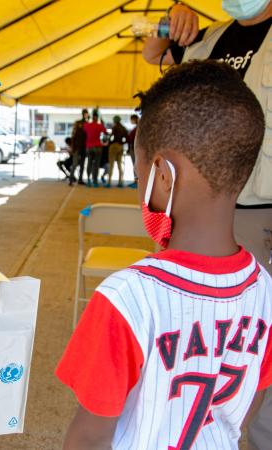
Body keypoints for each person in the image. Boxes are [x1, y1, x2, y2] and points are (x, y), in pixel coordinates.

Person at [56, 61, 272, 450]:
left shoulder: (125, 299)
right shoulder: (266, 292)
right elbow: (248, 408)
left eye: (141, 175)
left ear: (164, 174)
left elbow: (89, 438)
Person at [142, 3, 272, 447]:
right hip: (200, 215)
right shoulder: (208, 36)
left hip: (261, 212)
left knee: (256, 344)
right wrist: (170, 18)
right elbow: (151, 51)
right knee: (196, 335)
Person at [83, 109, 107, 187]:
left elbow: (84, 129)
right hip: (98, 147)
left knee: (89, 163)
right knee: (96, 165)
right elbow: (105, 132)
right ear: (97, 118)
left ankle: (88, 180)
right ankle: (95, 181)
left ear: (92, 118)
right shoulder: (100, 126)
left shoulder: (86, 125)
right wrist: (101, 121)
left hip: (89, 147)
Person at [106, 115, 128, 188]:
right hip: (120, 147)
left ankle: (109, 182)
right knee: (119, 164)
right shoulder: (123, 128)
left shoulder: (115, 127)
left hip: (114, 146)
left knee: (111, 164)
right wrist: (122, 143)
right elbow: (127, 138)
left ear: (115, 121)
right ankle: (120, 182)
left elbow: (111, 137)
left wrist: (109, 143)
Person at [69, 108, 89, 186]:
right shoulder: (77, 123)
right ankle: (71, 179)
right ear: (82, 114)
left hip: (84, 147)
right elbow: (73, 135)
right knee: (75, 163)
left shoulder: (87, 124)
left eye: (86, 113)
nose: (86, 115)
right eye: (85, 113)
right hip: (77, 147)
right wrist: (72, 147)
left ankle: (80, 179)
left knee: (82, 164)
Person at [126, 114, 139, 188]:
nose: (131, 121)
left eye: (132, 119)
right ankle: (136, 180)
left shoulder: (138, 127)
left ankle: (136, 181)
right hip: (134, 147)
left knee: (135, 164)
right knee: (135, 164)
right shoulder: (137, 127)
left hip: (134, 148)